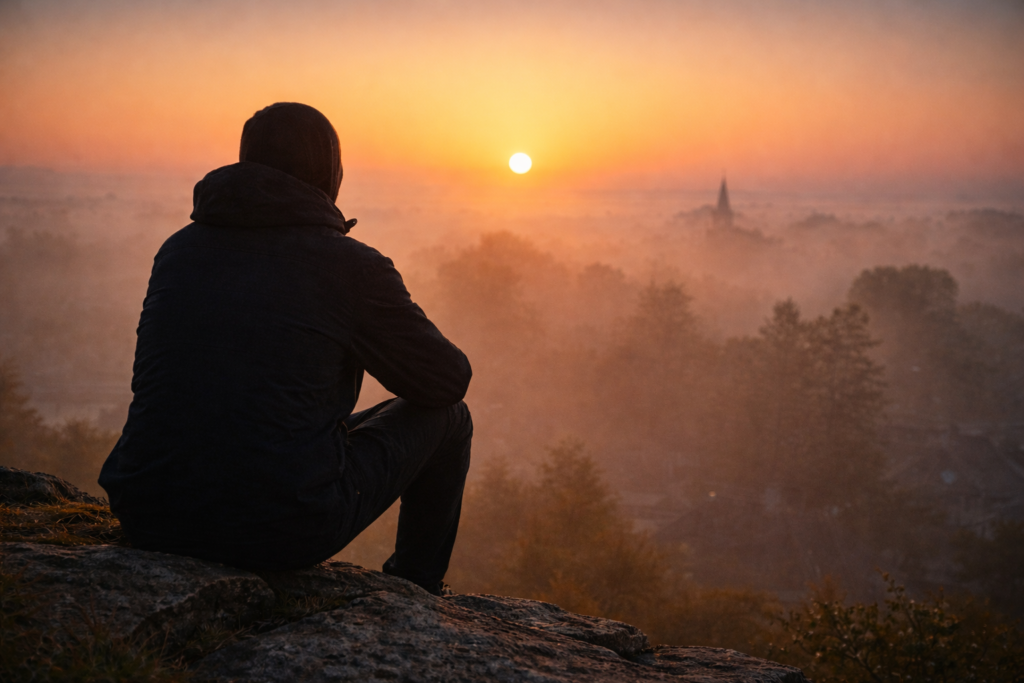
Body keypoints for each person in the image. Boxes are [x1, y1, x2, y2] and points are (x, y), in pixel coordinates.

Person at [99, 102, 472, 595]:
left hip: (148, 511)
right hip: (278, 529)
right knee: (450, 419)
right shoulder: (348, 267)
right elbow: (445, 381)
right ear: (330, 173)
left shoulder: (178, 249)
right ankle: (417, 589)